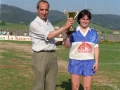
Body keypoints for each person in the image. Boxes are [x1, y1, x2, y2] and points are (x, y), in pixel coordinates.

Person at [29, 0, 74, 90]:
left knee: (51, 86)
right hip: (40, 56)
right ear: (37, 9)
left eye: (46, 10)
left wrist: (63, 41)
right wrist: (64, 26)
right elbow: (49, 36)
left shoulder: (48, 23)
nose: (44, 12)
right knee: (39, 86)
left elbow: (51, 41)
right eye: (42, 9)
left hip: (52, 56)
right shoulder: (34, 24)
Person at [64, 9, 99, 90]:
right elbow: (66, 46)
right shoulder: (74, 31)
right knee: (75, 86)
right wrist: (68, 36)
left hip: (89, 62)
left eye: (87, 19)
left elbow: (96, 47)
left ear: (89, 20)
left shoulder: (93, 32)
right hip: (75, 61)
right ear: (79, 19)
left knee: (87, 87)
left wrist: (96, 61)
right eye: (83, 19)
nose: (85, 21)